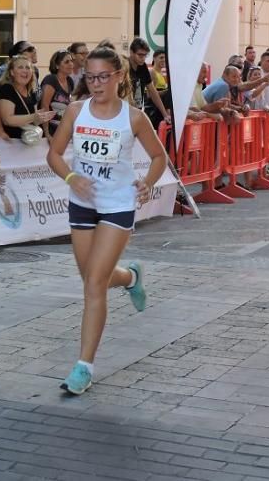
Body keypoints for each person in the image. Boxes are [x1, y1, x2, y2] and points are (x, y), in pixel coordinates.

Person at [46, 46, 167, 395]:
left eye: (103, 77)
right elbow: (54, 153)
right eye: (90, 76)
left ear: (118, 77)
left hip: (117, 204)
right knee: (90, 277)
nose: (96, 84)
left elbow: (159, 156)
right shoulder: (75, 111)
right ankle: (131, 276)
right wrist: (71, 178)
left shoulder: (133, 118)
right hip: (82, 203)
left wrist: (148, 182)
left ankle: (83, 366)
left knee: (93, 285)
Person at [0, 55, 55, 139]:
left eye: (28, 68)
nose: (25, 71)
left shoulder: (31, 91)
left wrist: (41, 117)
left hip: (27, 142)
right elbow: (7, 120)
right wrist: (34, 117)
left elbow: (33, 121)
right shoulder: (7, 89)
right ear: (12, 72)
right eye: (20, 67)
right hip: (9, 143)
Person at [127, 38, 169, 126]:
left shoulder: (143, 67)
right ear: (131, 52)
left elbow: (152, 91)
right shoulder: (125, 66)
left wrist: (165, 114)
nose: (143, 59)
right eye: (140, 55)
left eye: (145, 55)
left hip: (136, 111)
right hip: (125, 112)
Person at [40, 49, 75, 136]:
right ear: (57, 65)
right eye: (67, 62)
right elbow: (44, 107)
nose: (71, 64)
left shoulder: (70, 81)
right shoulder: (51, 80)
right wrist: (47, 133)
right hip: (49, 130)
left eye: (71, 61)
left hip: (61, 129)